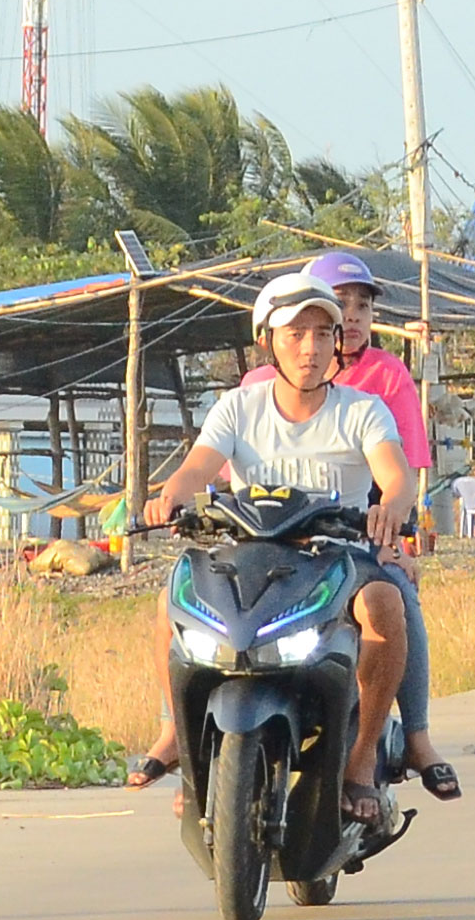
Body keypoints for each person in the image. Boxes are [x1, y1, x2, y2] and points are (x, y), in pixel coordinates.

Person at [125, 274, 416, 826]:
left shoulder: (363, 410)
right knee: (171, 600)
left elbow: (397, 477)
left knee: (385, 604)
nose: (310, 348)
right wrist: (170, 498)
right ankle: (177, 734)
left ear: (337, 342)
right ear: (267, 341)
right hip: (248, 558)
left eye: (323, 334)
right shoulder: (238, 408)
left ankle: (360, 760)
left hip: (337, 560)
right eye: (295, 334)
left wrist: (393, 506)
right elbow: (196, 468)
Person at [310, 252, 460, 797]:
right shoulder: (263, 385)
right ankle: (196, 748)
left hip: (362, 537)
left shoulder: (385, 376)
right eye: (340, 305)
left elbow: (402, 475)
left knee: (397, 596)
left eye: (362, 306)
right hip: (282, 539)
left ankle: (415, 735)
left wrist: (394, 538)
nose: (351, 316)